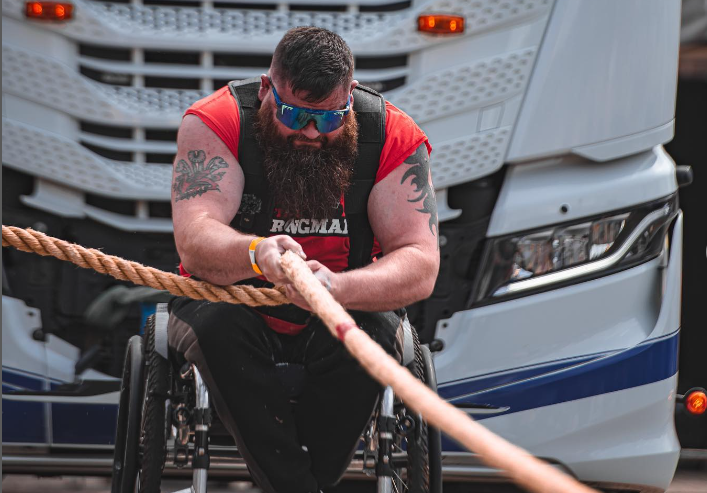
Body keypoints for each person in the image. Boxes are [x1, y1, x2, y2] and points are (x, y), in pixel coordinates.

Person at [168, 26, 440, 493]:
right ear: (268, 89)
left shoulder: (392, 135)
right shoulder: (216, 121)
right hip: (234, 300)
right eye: (294, 116)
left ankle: (298, 482)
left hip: (339, 305)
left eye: (330, 119)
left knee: (376, 332)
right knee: (218, 326)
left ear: (350, 97)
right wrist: (257, 252)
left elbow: (420, 261)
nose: (311, 133)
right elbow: (195, 236)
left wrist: (337, 288)